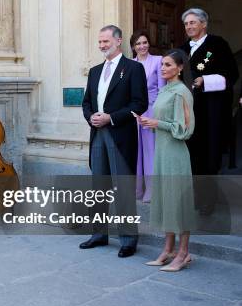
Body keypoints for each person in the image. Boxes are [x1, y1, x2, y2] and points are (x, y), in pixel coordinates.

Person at [80, 25, 148, 258]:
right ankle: (99, 234)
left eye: (106, 42)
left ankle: (128, 239)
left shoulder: (134, 68)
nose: (102, 46)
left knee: (123, 189)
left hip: (120, 135)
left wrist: (111, 117)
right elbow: (86, 102)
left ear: (118, 41)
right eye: (99, 42)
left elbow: (140, 104)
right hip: (97, 134)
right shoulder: (95, 71)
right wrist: (91, 117)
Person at [139, 49, 196, 271]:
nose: (163, 68)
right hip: (162, 152)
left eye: (169, 65)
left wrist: (156, 124)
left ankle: (183, 253)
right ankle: (168, 249)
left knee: (178, 203)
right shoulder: (165, 91)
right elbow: (164, 121)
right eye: (162, 64)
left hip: (175, 154)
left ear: (180, 68)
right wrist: (150, 122)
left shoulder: (182, 92)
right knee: (166, 201)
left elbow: (185, 129)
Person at [180, 8, 238, 214]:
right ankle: (195, 197)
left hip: (211, 110)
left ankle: (208, 201)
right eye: (186, 24)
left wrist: (206, 80)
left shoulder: (217, 44)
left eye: (193, 23)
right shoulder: (182, 48)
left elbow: (232, 74)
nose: (189, 27)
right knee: (191, 156)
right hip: (188, 109)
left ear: (204, 24)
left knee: (209, 156)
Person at [130, 30, 165, 202]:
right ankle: (137, 190)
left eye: (144, 42)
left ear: (149, 44)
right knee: (135, 152)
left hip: (152, 110)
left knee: (151, 152)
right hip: (133, 112)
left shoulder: (158, 61)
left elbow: (162, 89)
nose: (142, 46)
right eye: (138, 44)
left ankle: (151, 191)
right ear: (133, 47)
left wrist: (158, 115)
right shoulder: (129, 64)